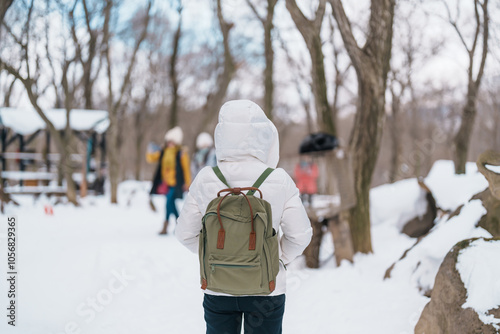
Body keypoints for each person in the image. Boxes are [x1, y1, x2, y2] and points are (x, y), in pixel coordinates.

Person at [176, 100, 312, 334]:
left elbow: (184, 233)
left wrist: (217, 257)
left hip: (218, 288)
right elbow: (300, 235)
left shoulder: (205, 178)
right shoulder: (278, 179)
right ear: (263, 135)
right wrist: (275, 260)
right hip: (266, 290)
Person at [146, 126, 191, 235]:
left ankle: (166, 226)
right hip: (165, 183)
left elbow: (186, 169)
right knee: (171, 204)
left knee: (168, 203)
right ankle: (180, 225)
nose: (170, 143)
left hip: (176, 182)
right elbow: (151, 158)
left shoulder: (181, 153)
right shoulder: (163, 151)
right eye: (169, 141)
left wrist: (188, 183)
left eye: (173, 141)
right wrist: (149, 150)